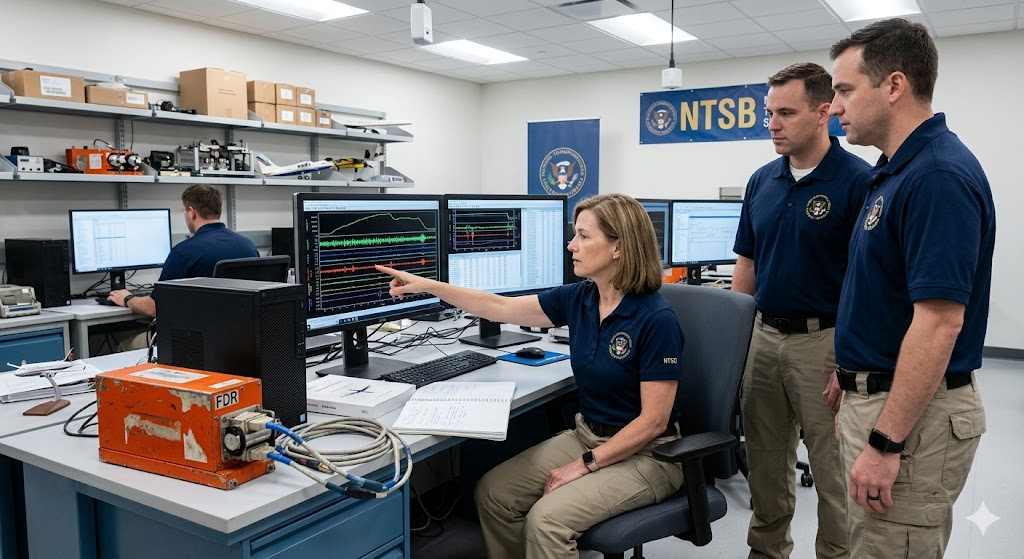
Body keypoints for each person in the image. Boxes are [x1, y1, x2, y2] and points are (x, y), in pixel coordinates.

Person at [377, 193, 685, 559]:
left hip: (648, 455)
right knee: (493, 494)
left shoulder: (655, 319)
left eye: (584, 236)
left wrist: (582, 466)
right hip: (588, 434)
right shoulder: (581, 298)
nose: (571, 245)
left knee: (547, 521)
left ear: (618, 247)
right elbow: (500, 306)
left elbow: (653, 422)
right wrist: (429, 285)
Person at [827, 18, 995, 557]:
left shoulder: (936, 177)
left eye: (845, 90)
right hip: (878, 396)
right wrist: (848, 373)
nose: (834, 107)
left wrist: (885, 440)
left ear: (894, 86)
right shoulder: (896, 171)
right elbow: (885, 292)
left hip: (910, 422)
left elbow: (940, 321)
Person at [732, 62, 871, 559]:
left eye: (785, 113)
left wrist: (851, 361)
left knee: (834, 471)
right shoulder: (761, 181)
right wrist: (735, 349)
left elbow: (869, 282)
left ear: (824, 112)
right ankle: (767, 551)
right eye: (769, 113)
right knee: (767, 466)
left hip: (827, 344)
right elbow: (746, 264)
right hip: (764, 338)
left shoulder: (859, 182)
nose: (772, 124)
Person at [108, 184, 258, 347]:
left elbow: (154, 308)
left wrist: (128, 298)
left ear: (192, 212)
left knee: (124, 346)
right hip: (241, 341)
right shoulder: (248, 246)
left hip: (194, 343)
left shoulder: (185, 251)